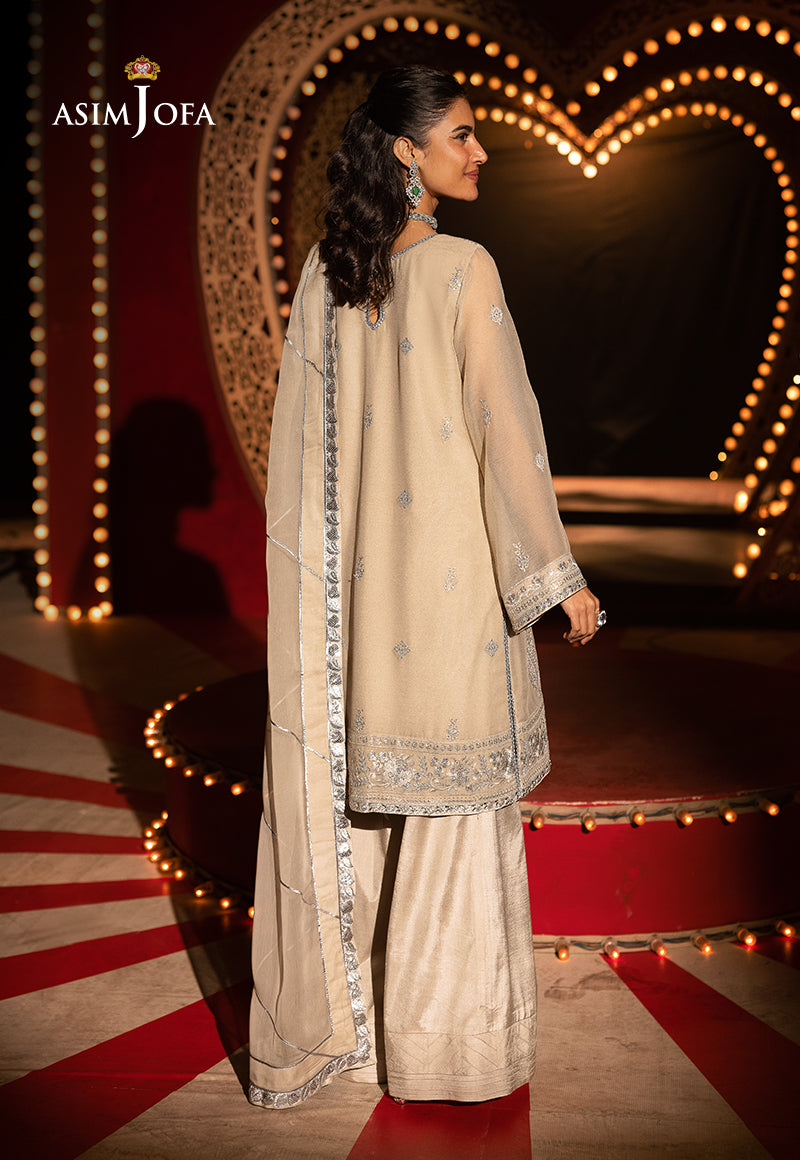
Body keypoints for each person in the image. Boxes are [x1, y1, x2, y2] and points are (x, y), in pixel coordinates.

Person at [248, 65, 602, 1110]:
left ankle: (354, 1040)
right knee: (454, 815)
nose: (479, 152)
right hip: (450, 599)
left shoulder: (327, 276)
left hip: (362, 607)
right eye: (461, 134)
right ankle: (450, 1053)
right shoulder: (463, 267)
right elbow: (507, 436)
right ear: (407, 150)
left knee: (370, 820)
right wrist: (559, 580)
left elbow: (303, 471)